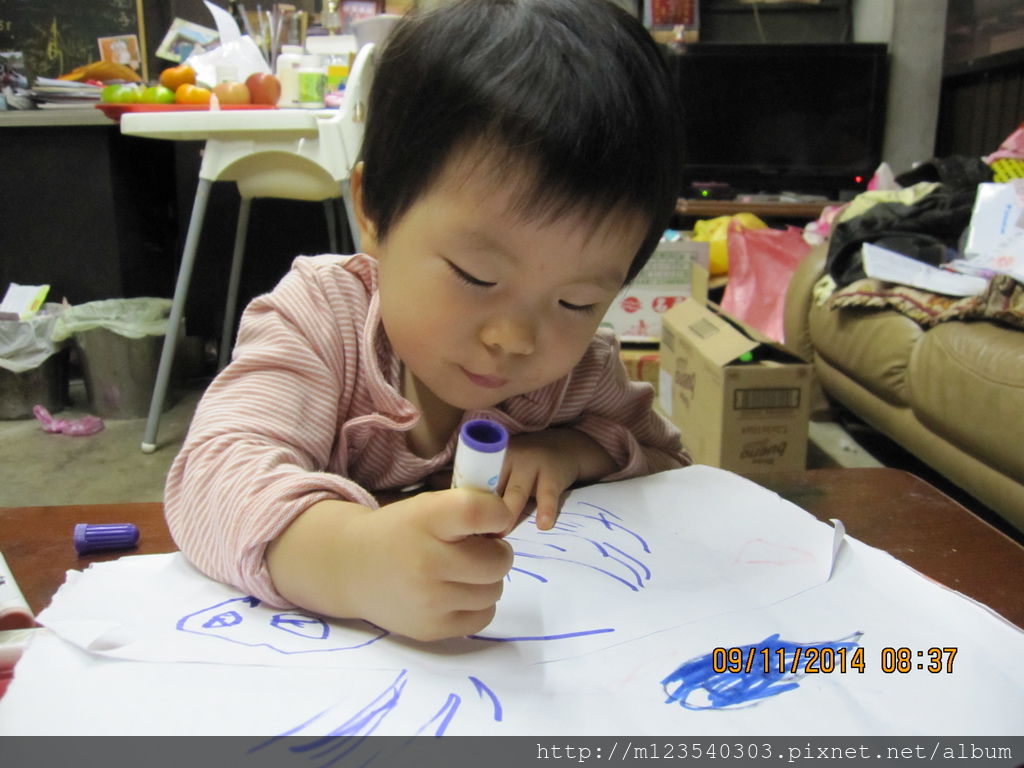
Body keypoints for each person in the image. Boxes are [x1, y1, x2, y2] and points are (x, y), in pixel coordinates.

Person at [165, 0, 690, 642]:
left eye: (576, 303)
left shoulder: (578, 372)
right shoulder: (320, 322)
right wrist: (347, 559)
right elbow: (211, 477)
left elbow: (672, 466)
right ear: (373, 212)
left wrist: (573, 451)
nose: (513, 339)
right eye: (475, 276)